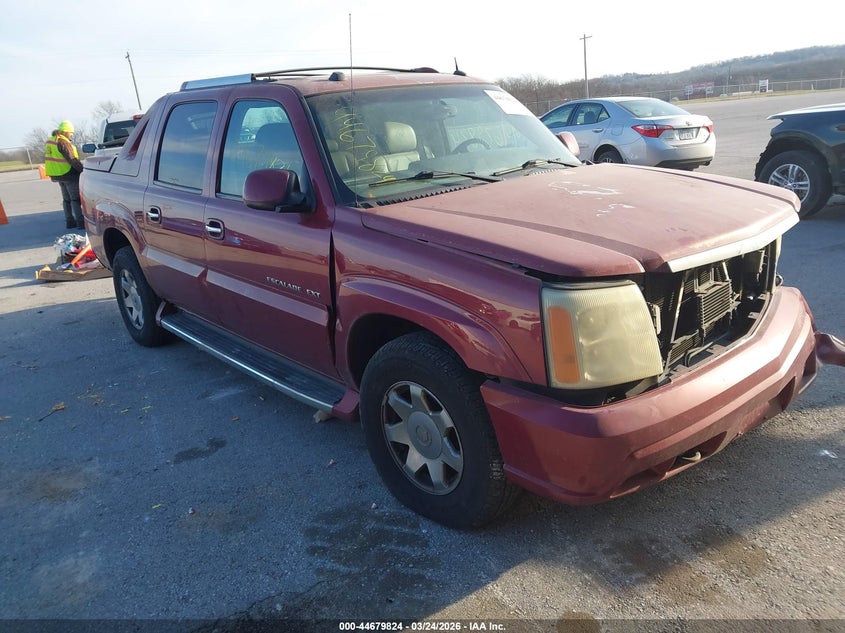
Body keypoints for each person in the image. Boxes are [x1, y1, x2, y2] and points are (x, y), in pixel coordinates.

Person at [45, 120, 85, 229]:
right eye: (71, 132)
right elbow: (71, 159)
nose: (72, 134)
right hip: (68, 174)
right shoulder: (63, 142)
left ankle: (69, 221)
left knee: (66, 199)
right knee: (75, 199)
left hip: (57, 175)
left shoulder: (51, 141)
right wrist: (83, 170)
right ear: (66, 132)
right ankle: (81, 222)